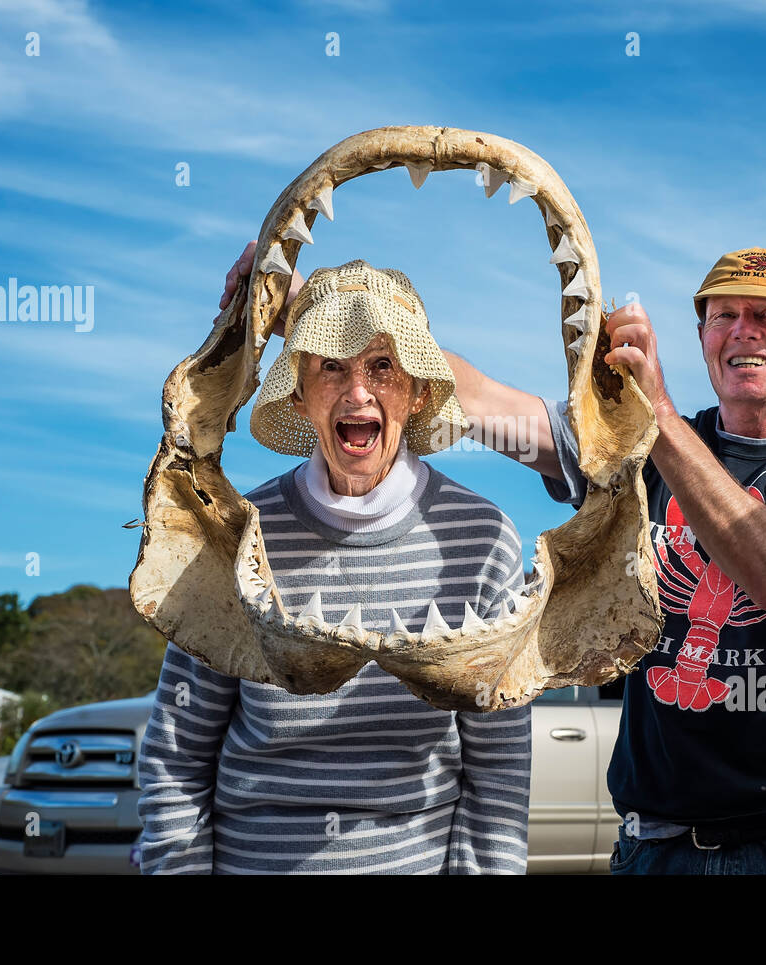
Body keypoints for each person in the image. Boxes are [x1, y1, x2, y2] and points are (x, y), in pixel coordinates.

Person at [449, 247, 766, 874]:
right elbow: (479, 403)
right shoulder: (635, 450)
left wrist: (654, 410)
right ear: (702, 336)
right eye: (725, 316)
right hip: (656, 847)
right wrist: (328, 312)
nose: (746, 330)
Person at [138, 258, 531, 874]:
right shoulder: (239, 533)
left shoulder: (482, 540)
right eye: (330, 367)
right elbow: (177, 752)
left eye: (382, 366)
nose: (357, 392)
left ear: (419, 390)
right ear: (297, 392)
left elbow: (499, 775)